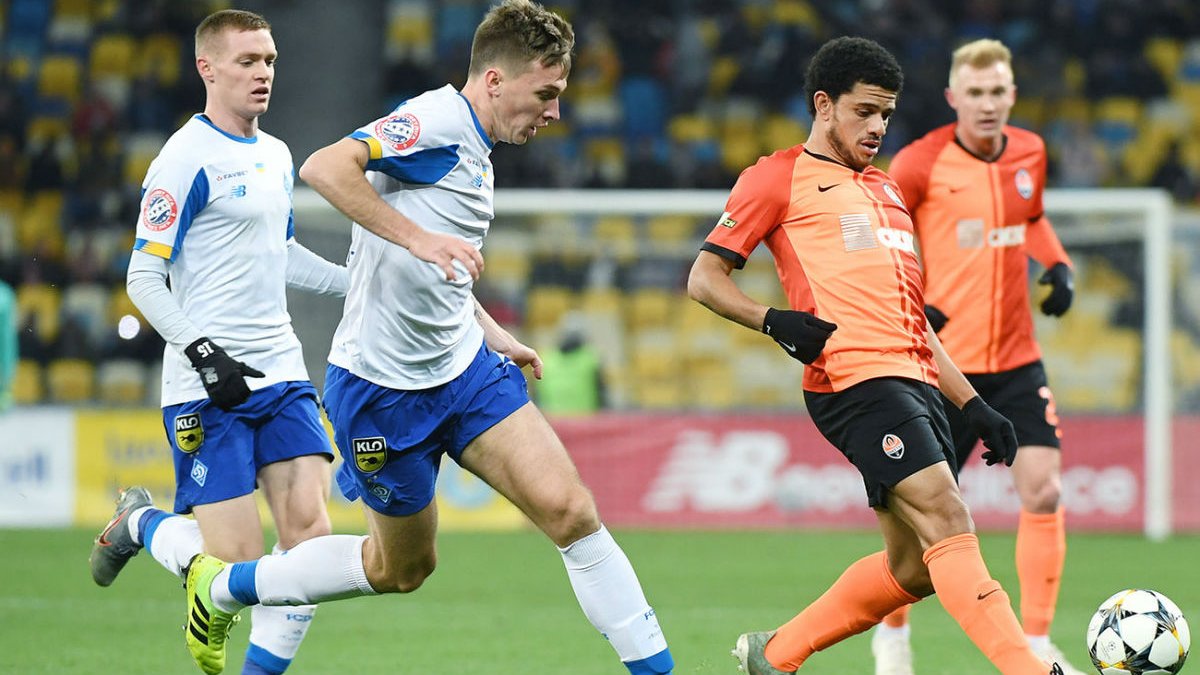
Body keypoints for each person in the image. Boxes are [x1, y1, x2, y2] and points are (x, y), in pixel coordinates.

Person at [179, 2, 675, 675]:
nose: (555, 112)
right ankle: (226, 587)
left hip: (465, 372)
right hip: (381, 391)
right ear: (495, 81)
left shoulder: (477, 147)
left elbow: (438, 270)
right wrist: (419, 239)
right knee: (401, 568)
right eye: (545, 93)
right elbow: (325, 168)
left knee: (571, 511)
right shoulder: (435, 122)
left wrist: (491, 331)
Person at [687, 37, 1062, 675]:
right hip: (852, 380)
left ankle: (773, 655)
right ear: (823, 105)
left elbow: (914, 320)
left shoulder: (888, 191)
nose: (878, 126)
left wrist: (974, 403)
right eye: (864, 111)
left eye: (886, 114)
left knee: (913, 568)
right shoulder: (776, 176)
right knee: (949, 514)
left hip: (917, 381)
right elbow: (704, 278)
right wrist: (773, 320)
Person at [88, 10, 348, 675]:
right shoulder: (183, 159)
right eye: (247, 61)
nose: (263, 73)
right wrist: (202, 352)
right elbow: (142, 276)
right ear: (208, 68)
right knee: (235, 565)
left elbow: (282, 254)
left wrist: (357, 286)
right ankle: (139, 523)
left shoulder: (277, 154)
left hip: (281, 371)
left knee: (309, 543)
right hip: (206, 386)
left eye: (270, 60)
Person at [873, 38, 1084, 675]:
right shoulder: (919, 162)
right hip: (944, 368)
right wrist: (916, 303)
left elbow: (1031, 217)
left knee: (1044, 490)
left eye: (997, 92)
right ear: (953, 97)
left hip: (1016, 358)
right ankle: (892, 638)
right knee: (916, 523)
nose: (987, 104)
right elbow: (882, 238)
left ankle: (1038, 643)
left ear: (1012, 95)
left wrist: (1058, 264)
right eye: (975, 93)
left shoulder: (1030, 151)